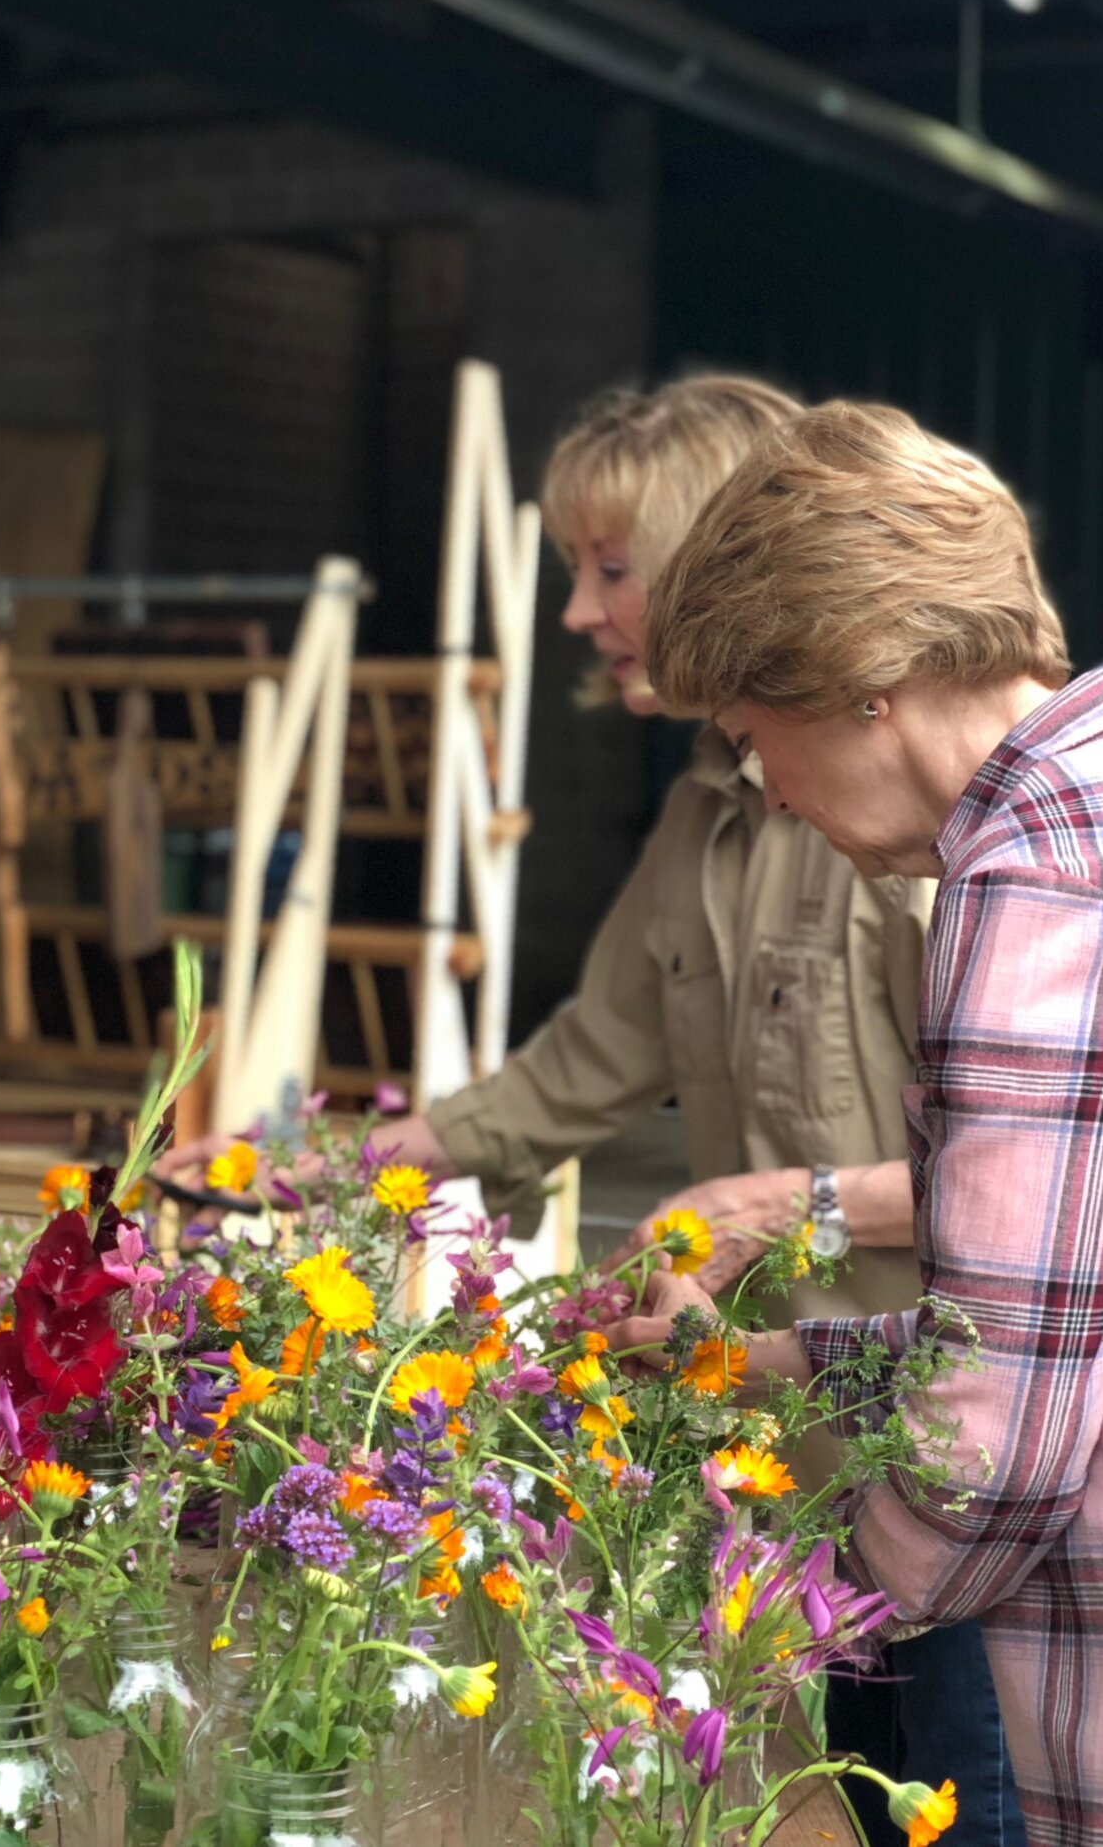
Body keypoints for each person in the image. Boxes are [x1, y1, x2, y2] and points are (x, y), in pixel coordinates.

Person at [169, 374, 1020, 1843]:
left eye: (608, 566)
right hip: (815, 1468)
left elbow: (1048, 1168)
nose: (576, 610)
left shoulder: (911, 810)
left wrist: (787, 1200)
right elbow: (569, 1074)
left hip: (972, 1474)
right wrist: (300, 1169)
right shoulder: (708, 812)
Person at [614, 401, 1090, 1841]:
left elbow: (999, 1439)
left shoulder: (1032, 878)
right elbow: (1060, 1319)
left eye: (755, 734)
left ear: (866, 678)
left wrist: (803, 1613)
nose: (760, 780)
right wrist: (763, 1356)